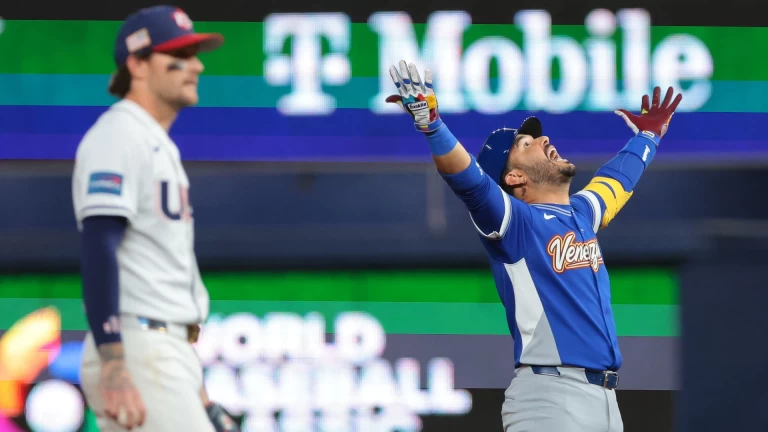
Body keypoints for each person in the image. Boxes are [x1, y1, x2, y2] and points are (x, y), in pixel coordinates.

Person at [385, 60, 682, 431]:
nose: (544, 140)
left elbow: (616, 178)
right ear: (514, 176)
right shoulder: (516, 224)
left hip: (604, 400)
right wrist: (432, 125)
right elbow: (470, 184)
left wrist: (646, 137)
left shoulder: (581, 213)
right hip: (549, 397)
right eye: (526, 144)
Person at [72, 5, 238, 431]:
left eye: (195, 54)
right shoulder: (120, 133)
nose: (196, 66)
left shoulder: (153, 141)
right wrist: (114, 361)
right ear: (137, 64)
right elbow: (99, 242)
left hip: (165, 347)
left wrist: (198, 395)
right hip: (139, 344)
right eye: (179, 55)